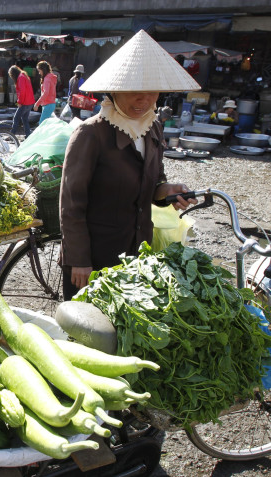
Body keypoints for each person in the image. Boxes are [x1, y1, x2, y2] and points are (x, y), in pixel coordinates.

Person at [59, 30, 199, 300]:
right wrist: (79, 258)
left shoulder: (153, 128)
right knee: (87, 332)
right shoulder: (91, 134)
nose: (144, 100)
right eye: (135, 91)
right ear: (115, 89)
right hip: (94, 256)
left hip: (137, 251)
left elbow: (155, 181)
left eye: (151, 92)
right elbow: (70, 204)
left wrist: (167, 190)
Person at [8, 65, 34, 138]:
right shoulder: (24, 75)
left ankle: (11, 135)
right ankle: (28, 135)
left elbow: (22, 91)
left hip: (25, 103)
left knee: (16, 118)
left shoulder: (20, 78)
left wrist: (19, 102)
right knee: (25, 119)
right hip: (30, 102)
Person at [33, 60, 57, 125]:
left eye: (39, 71)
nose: (39, 73)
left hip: (48, 105)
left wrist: (37, 104)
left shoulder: (47, 78)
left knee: (42, 124)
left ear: (43, 70)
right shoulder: (51, 77)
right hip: (50, 104)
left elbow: (46, 93)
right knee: (47, 125)